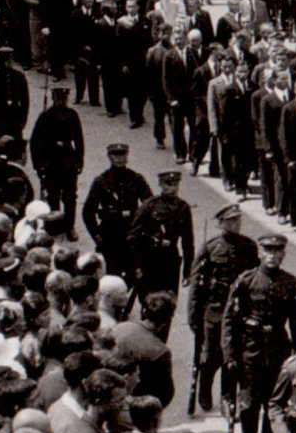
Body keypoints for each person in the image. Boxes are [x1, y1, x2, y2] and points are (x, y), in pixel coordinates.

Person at [221, 233, 296, 433]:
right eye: (268, 250)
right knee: (248, 405)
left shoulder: (290, 283)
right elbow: (229, 321)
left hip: (278, 353)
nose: (273, 255)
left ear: (283, 254)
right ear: (260, 253)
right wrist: (229, 355)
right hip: (250, 352)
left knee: (274, 404)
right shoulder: (246, 281)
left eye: (278, 251)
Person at [187, 203, 259, 413]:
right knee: (211, 356)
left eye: (237, 220)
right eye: (230, 221)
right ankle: (204, 389)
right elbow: (196, 285)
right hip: (214, 311)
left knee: (232, 357)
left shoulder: (249, 246)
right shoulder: (210, 248)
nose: (235, 224)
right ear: (220, 223)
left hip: (239, 312)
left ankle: (227, 397)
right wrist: (193, 315)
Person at [80, 144, 152, 279]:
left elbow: (150, 205)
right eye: (115, 155)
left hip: (132, 233)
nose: (119, 159)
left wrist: (145, 230)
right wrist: (97, 236)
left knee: (136, 276)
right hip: (111, 235)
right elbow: (88, 211)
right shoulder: (101, 182)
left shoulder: (136, 179)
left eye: (122, 155)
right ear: (109, 157)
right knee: (113, 275)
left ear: (127, 156)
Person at [29, 86, 85, 240]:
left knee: (70, 198)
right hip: (51, 162)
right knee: (53, 196)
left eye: (64, 99)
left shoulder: (72, 115)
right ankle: (54, 226)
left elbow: (79, 140)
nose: (61, 101)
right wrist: (38, 164)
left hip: (68, 162)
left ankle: (69, 227)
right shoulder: (45, 117)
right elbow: (35, 142)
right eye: (58, 98)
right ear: (54, 99)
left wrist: (80, 160)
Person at [128, 169, 195, 299]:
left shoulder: (183, 207)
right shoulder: (149, 205)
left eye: (175, 184)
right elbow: (132, 237)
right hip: (150, 260)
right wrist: (136, 266)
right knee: (149, 302)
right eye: (168, 184)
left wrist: (187, 271)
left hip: (171, 261)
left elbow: (188, 241)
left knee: (169, 302)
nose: (173, 188)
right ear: (161, 185)